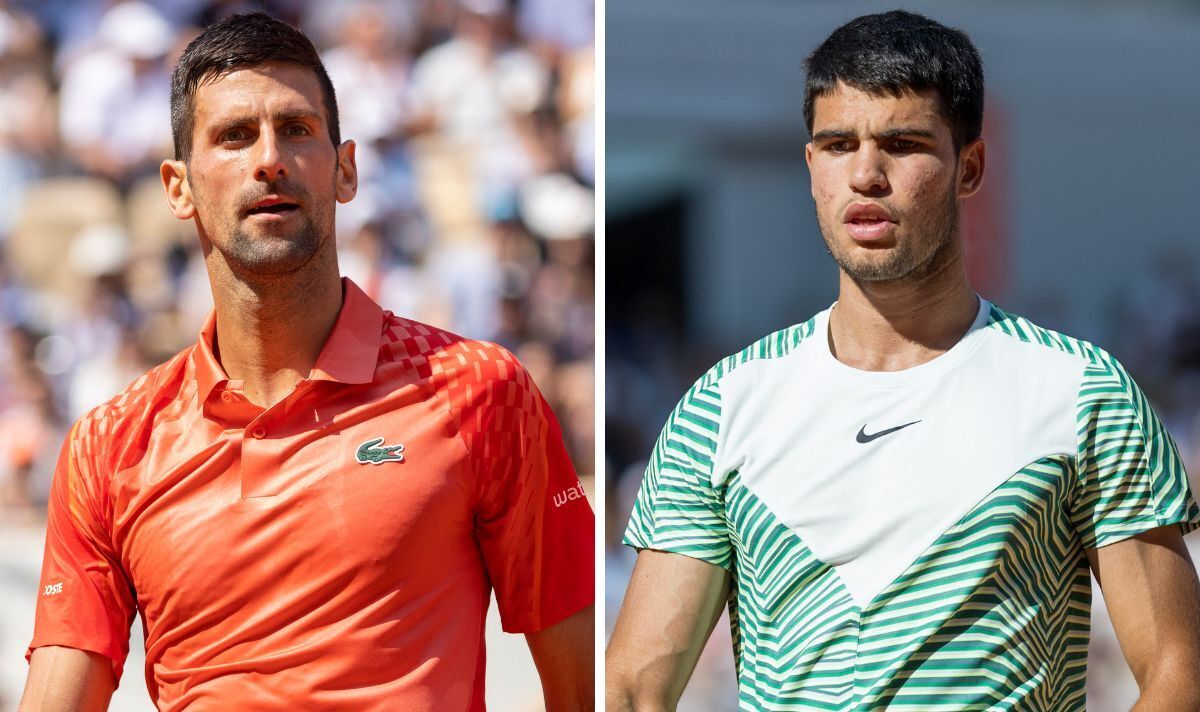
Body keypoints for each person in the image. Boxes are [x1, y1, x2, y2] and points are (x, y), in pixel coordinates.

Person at [606, 10, 1200, 711]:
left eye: (902, 143)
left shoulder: (1083, 394)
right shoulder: (721, 407)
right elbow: (634, 686)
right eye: (837, 144)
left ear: (969, 168)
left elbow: (1177, 673)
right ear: (810, 166)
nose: (865, 173)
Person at [21, 12, 594, 711]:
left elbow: (588, 685)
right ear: (178, 187)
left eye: (295, 129)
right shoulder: (106, 447)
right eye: (234, 136)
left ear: (345, 170)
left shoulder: (482, 389)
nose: (269, 158)